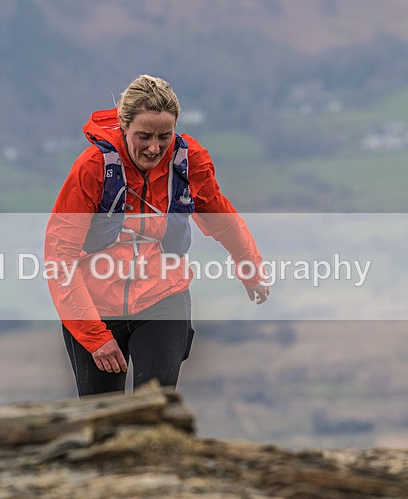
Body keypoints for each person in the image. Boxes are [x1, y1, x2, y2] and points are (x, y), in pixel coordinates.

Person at [45, 74, 269, 397]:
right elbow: (59, 257)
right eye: (144, 136)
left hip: (162, 297)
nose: (154, 148)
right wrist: (95, 336)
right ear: (124, 127)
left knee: (154, 408)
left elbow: (220, 216)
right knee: (103, 421)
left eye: (165, 136)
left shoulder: (188, 162)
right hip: (96, 306)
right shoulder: (93, 168)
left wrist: (249, 265)